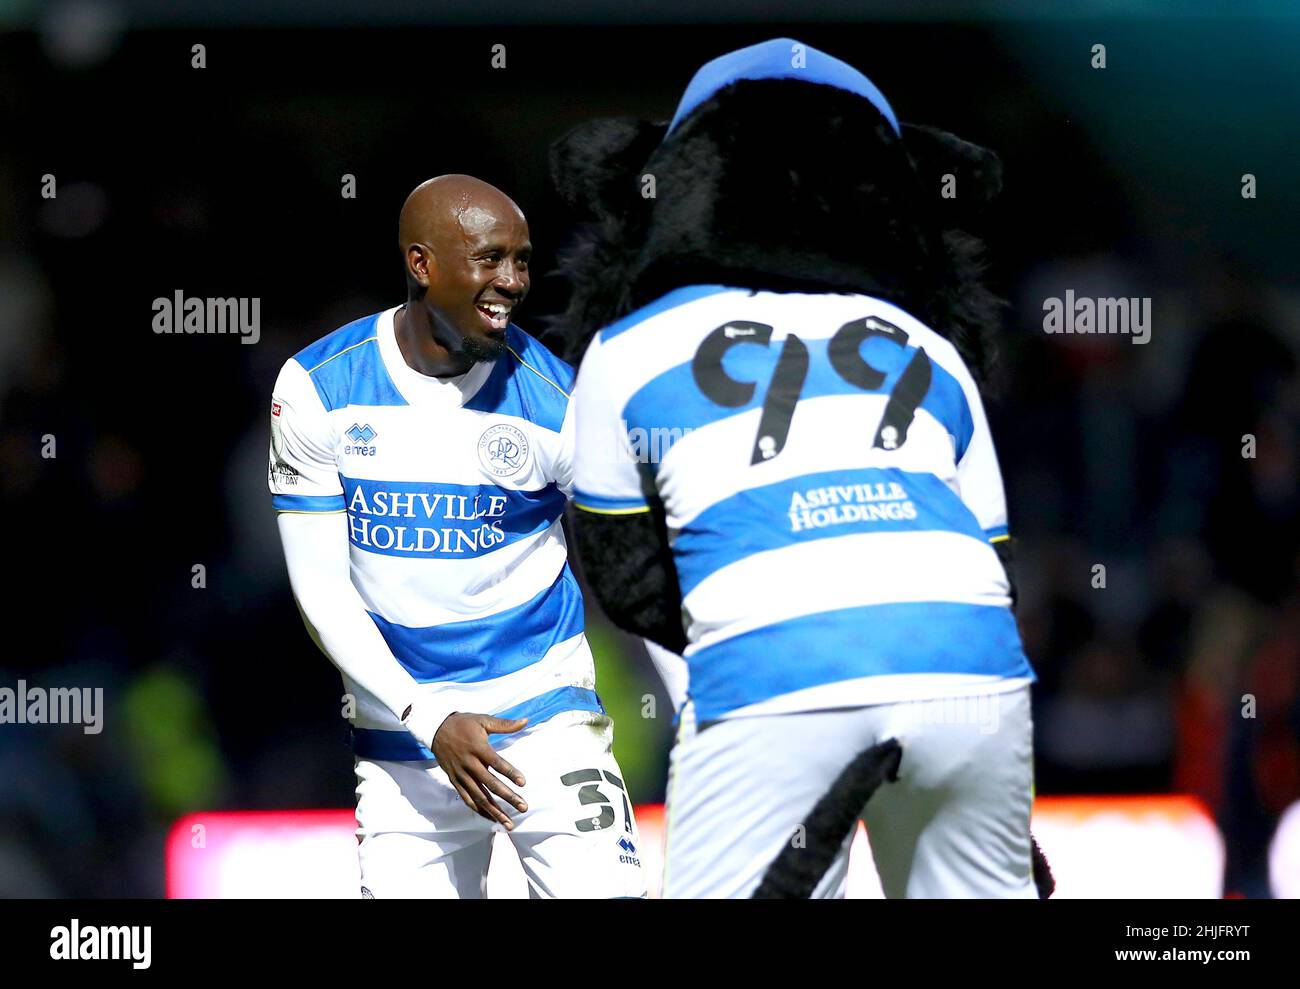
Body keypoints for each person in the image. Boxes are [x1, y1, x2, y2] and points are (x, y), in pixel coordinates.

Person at [555, 39, 1039, 898]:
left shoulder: (623, 349)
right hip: (972, 674)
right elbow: (991, 565)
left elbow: (628, 581)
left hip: (768, 674)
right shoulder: (932, 349)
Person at [269, 174, 645, 898]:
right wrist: (428, 714)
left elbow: (633, 558)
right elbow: (321, 592)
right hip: (405, 739)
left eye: (523, 260)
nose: (512, 282)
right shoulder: (318, 389)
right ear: (421, 264)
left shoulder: (559, 400)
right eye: (490, 258)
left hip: (544, 719)